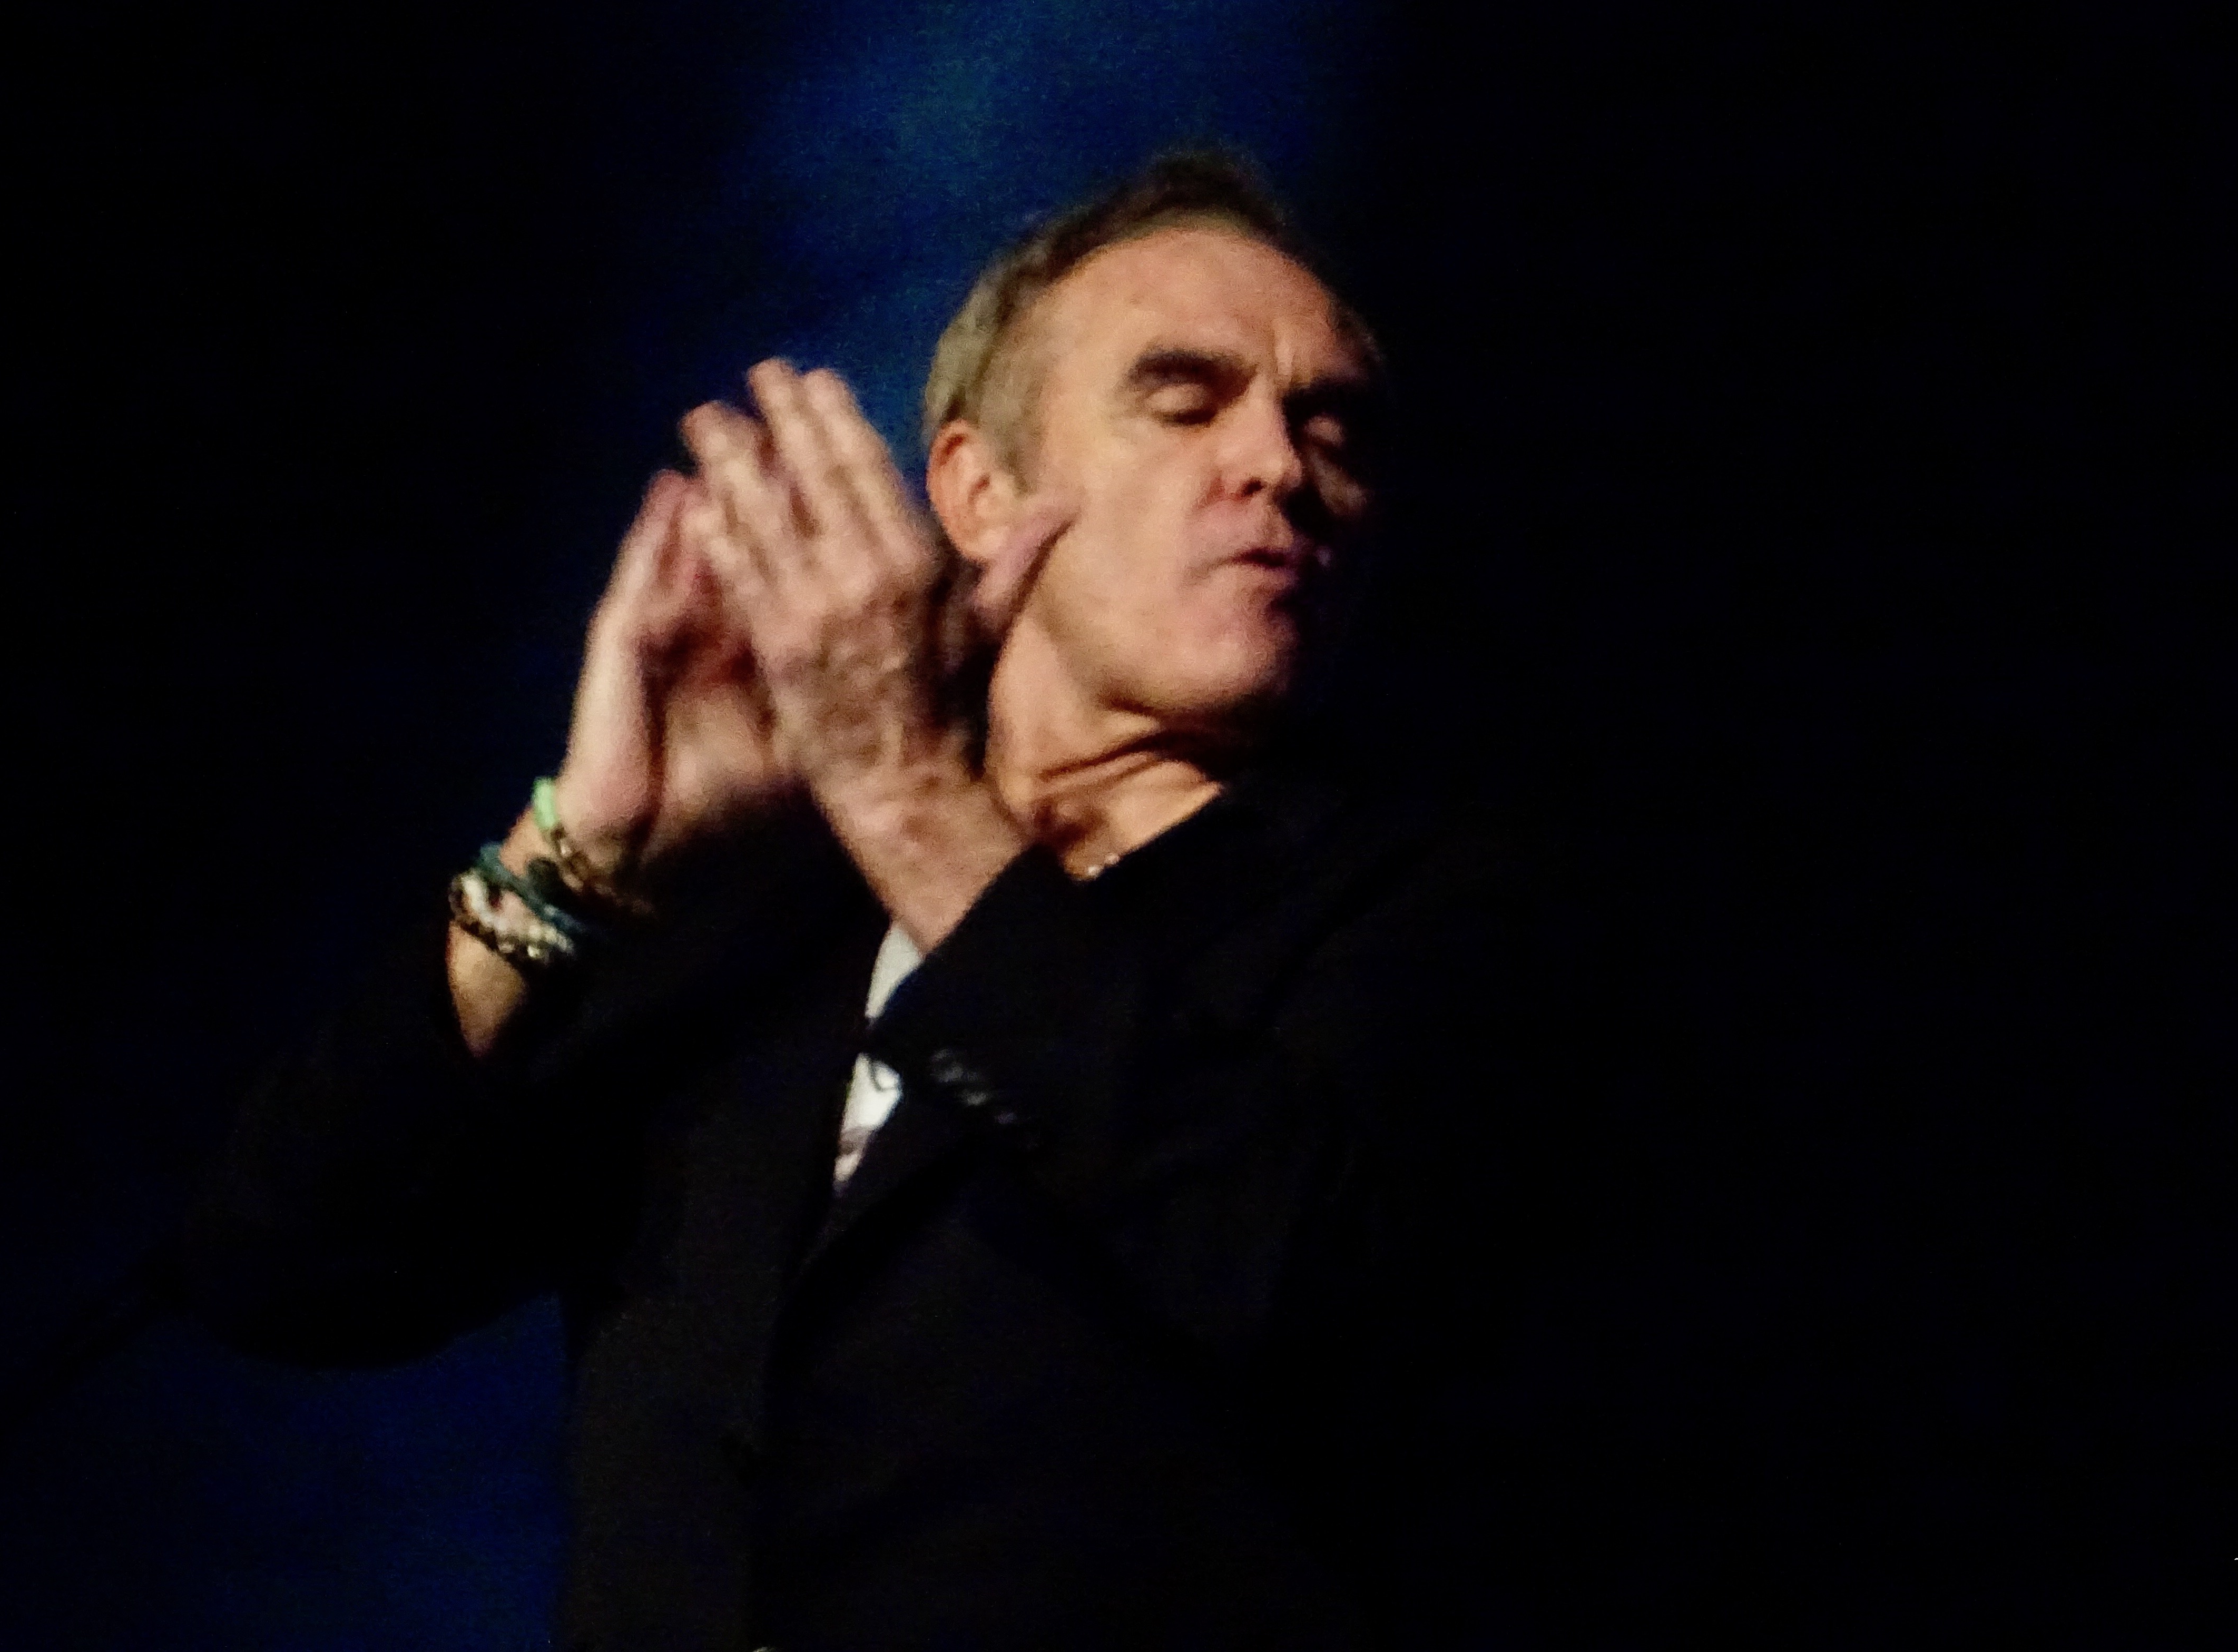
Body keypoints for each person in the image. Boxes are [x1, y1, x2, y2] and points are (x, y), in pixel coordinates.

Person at [180, 151, 1539, 1650]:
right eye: (1185, 402)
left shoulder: (1446, 910)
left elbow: (1334, 1298)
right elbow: (281, 1266)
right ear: (978, 488)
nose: (1279, 464)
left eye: (1331, 427)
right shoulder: (770, 917)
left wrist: (905, 792)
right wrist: (576, 860)